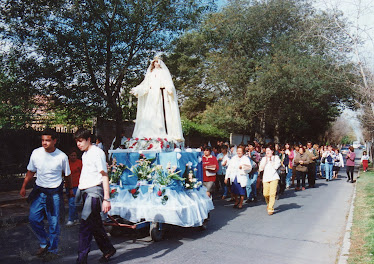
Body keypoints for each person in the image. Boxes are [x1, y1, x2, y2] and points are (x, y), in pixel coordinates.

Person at [20, 128, 71, 261]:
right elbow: (30, 171)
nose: (44, 143)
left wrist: (69, 191)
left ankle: (52, 250)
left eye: (47, 140)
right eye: (43, 140)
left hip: (54, 194)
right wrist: (24, 186)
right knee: (33, 218)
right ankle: (44, 242)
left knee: (54, 223)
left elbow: (67, 176)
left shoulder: (62, 157)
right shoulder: (36, 153)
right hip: (39, 191)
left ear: (54, 141)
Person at [74, 129, 116, 264]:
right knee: (95, 225)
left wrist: (106, 199)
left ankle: (81, 260)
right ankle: (108, 249)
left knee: (85, 226)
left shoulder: (97, 153)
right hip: (85, 192)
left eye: (80, 141)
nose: (78, 144)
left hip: (94, 194)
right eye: (77, 142)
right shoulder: (85, 154)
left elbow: (104, 175)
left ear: (88, 140)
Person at [130, 57, 184, 142]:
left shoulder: (163, 72)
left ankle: (161, 129)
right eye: (154, 62)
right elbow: (146, 85)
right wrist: (137, 90)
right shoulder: (150, 74)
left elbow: (168, 82)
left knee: (159, 112)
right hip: (152, 95)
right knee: (150, 113)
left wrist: (169, 88)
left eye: (157, 62)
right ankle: (148, 131)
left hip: (160, 94)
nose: (156, 64)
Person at [259, 145, 281, 215]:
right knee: (265, 194)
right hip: (266, 178)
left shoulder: (276, 158)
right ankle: (268, 204)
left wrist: (271, 160)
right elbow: (261, 168)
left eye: (269, 150)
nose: (267, 152)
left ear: (272, 151)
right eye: (266, 150)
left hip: (274, 177)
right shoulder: (263, 159)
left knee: (272, 193)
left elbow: (276, 166)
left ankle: (271, 208)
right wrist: (265, 160)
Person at [65, 148, 82, 226]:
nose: (73, 157)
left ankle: (71, 219)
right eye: (72, 155)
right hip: (68, 185)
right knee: (71, 203)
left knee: (72, 202)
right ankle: (76, 218)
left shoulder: (79, 163)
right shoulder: (67, 163)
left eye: (75, 155)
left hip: (76, 185)